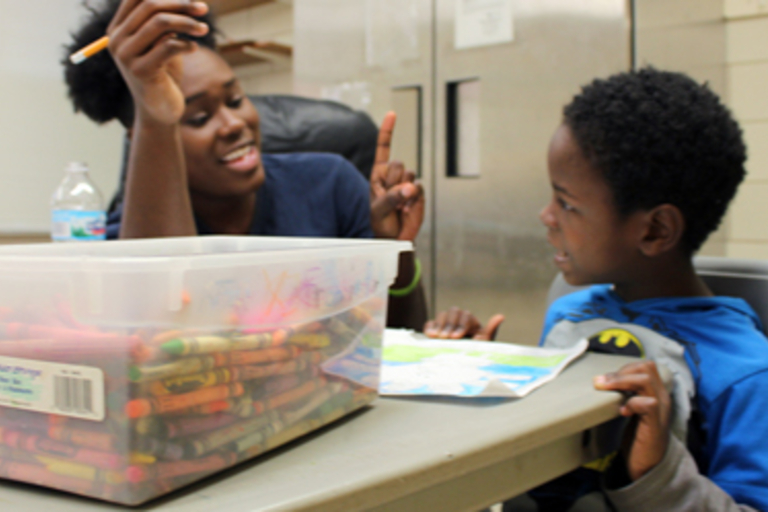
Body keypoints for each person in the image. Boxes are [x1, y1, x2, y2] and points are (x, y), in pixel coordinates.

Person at [425, 69, 768, 511]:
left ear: (655, 230)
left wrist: (657, 472)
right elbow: (541, 466)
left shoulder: (745, 373)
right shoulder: (571, 315)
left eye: (567, 204)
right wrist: (477, 381)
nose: (546, 216)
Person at [63, 0, 426, 329]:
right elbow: (156, 343)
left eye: (235, 99)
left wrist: (394, 252)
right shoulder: (125, 235)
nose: (234, 124)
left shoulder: (330, 183)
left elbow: (397, 341)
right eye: (198, 117)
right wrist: (157, 118)